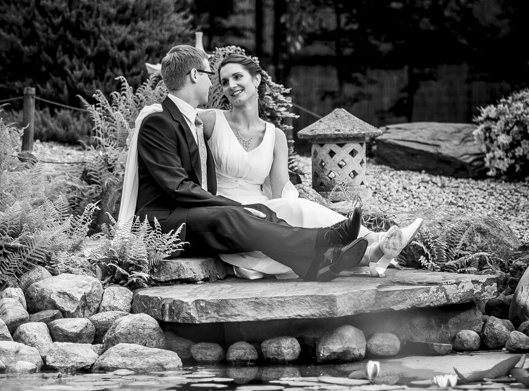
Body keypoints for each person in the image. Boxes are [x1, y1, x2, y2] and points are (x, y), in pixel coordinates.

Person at [118, 44, 370, 282]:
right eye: (209, 75)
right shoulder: (159, 122)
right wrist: (235, 205)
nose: (212, 84)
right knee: (230, 215)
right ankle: (327, 238)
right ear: (194, 75)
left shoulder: (190, 120)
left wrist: (242, 207)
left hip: (186, 214)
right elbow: (177, 187)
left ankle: (317, 263)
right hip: (163, 222)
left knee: (262, 211)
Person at [196, 53, 423, 280]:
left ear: (256, 80)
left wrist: (284, 219)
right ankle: (377, 244)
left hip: (264, 212)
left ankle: (373, 250)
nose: (231, 85)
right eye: (225, 81)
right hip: (227, 213)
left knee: (292, 211)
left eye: (237, 77)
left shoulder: (275, 135)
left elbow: (280, 192)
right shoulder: (210, 120)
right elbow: (180, 110)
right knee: (299, 210)